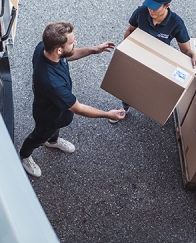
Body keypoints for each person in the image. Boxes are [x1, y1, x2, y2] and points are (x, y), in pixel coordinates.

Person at [20, 22, 125, 177]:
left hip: (58, 109)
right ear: (59, 49)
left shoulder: (44, 48)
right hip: (48, 116)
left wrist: (93, 49)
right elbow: (78, 108)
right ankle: (25, 155)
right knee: (39, 135)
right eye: (71, 42)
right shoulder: (53, 83)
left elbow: (68, 55)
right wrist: (108, 114)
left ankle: (52, 142)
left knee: (54, 130)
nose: (75, 43)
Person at [110, 0, 196, 123]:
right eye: (149, 4)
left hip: (158, 61)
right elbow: (130, 30)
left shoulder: (176, 23)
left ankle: (153, 109)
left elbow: (185, 50)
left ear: (167, 5)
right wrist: (126, 49)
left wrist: (194, 55)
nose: (150, 9)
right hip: (138, 56)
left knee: (153, 87)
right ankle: (124, 107)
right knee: (130, 84)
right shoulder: (141, 12)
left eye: (155, 6)